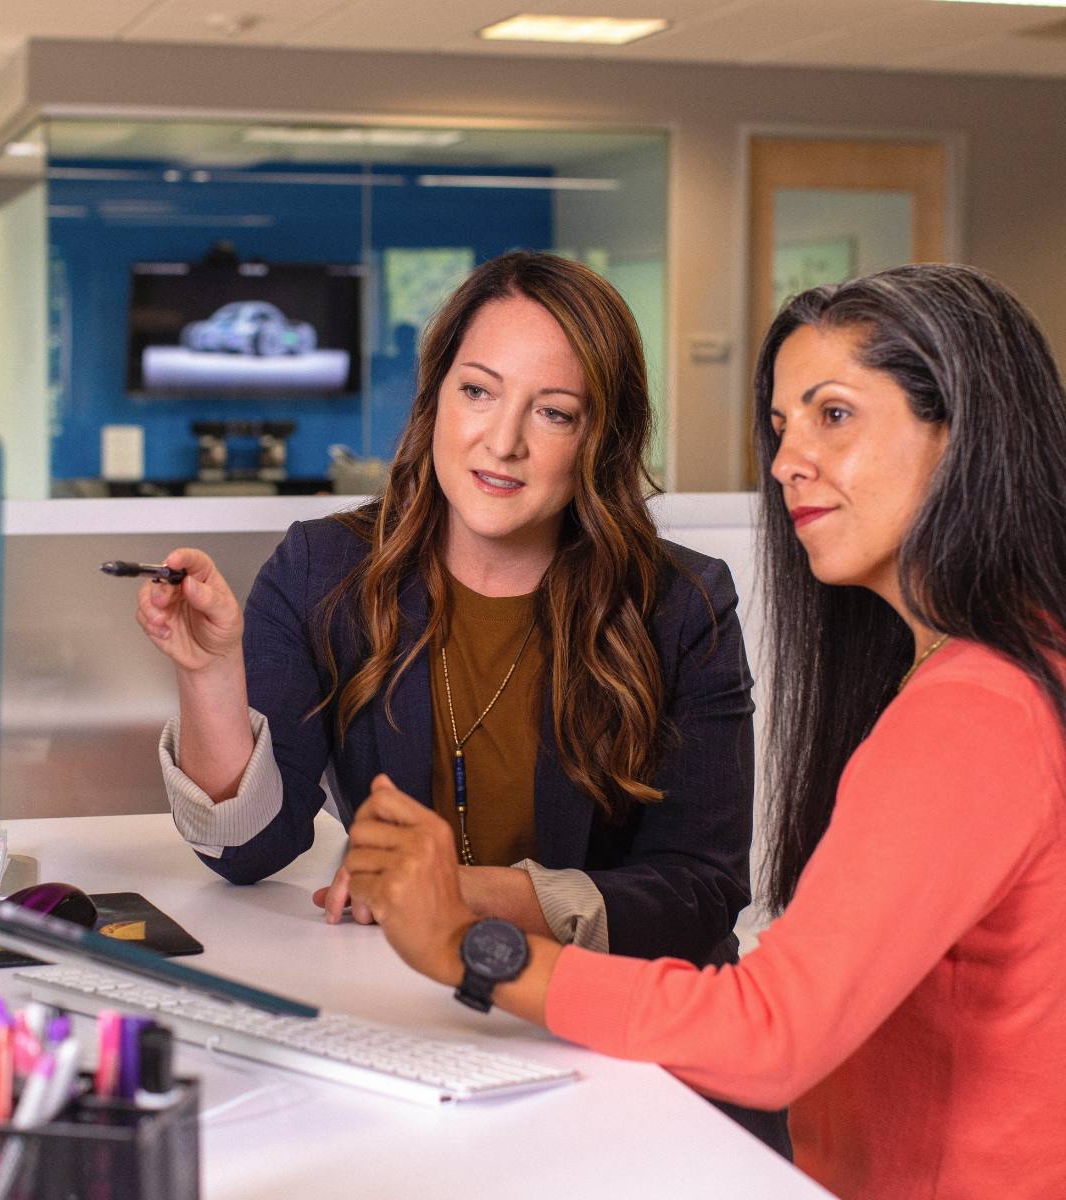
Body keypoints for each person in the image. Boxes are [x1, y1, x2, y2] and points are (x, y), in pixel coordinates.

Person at [343, 263, 1066, 1199]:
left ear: (966, 432)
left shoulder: (976, 711)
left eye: (833, 415)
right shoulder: (1015, 665)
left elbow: (770, 1036)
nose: (786, 462)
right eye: (780, 427)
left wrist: (468, 948)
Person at [136, 251, 788, 1151]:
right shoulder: (324, 570)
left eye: (553, 413)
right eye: (479, 392)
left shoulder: (682, 602)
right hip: (420, 1033)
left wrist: (469, 899)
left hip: (626, 1049)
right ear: (436, 396)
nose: (503, 441)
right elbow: (250, 850)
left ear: (601, 437)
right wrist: (209, 671)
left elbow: (701, 892)